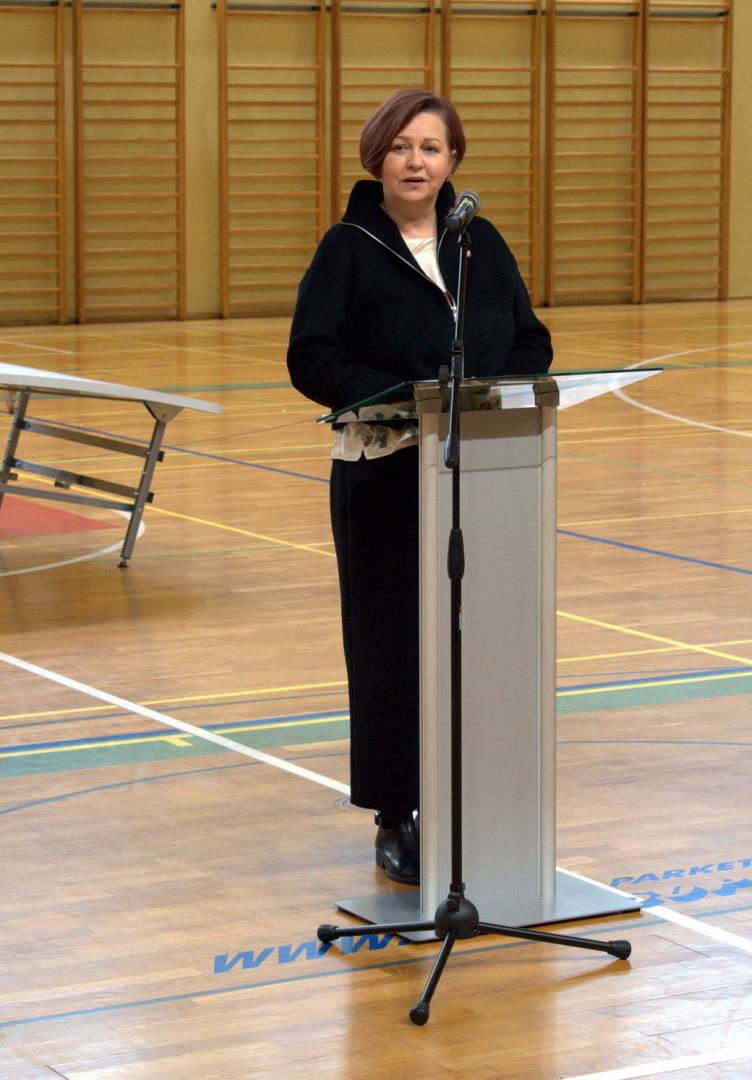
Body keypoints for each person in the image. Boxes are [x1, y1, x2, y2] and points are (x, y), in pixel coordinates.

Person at [287, 89, 552, 884]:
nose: (416, 161)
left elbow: (531, 340)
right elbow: (312, 358)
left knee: (475, 640)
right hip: (385, 476)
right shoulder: (349, 247)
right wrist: (405, 398)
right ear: (377, 157)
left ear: (452, 161)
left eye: (431, 148)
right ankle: (395, 810)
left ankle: (473, 793)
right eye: (401, 147)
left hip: (481, 475)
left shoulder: (480, 243)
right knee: (391, 647)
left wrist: (491, 390)